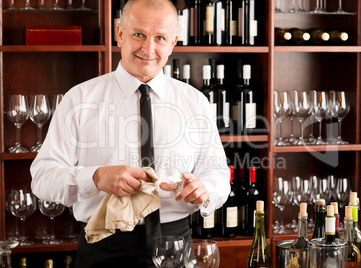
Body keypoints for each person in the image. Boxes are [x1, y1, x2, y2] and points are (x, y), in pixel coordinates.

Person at [30, 0, 230, 267]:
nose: (148, 49)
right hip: (102, 246)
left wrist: (204, 190)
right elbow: (42, 178)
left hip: (176, 244)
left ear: (173, 42)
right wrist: (96, 177)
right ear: (120, 33)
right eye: (138, 34)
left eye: (160, 37)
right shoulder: (79, 99)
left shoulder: (195, 102)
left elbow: (218, 175)